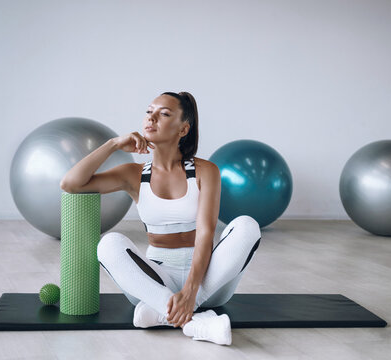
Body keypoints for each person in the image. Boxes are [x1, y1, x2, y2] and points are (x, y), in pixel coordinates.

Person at [60, 91, 261, 345]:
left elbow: (206, 233)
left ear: (183, 129)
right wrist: (113, 144)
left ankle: (163, 312)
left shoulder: (205, 171)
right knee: (108, 244)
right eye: (149, 111)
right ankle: (196, 323)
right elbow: (70, 184)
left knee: (247, 225)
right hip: (154, 280)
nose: (151, 118)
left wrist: (190, 292)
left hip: (209, 281)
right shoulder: (132, 174)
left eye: (164, 114)